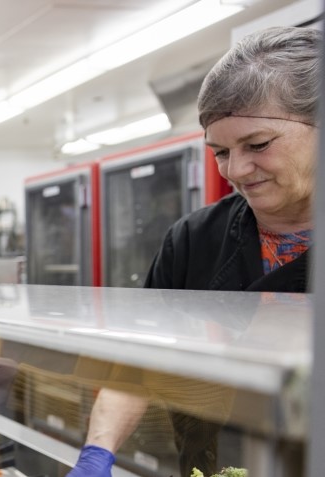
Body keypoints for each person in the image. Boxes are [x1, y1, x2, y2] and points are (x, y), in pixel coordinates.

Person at [68, 26, 320, 477]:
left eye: (258, 145)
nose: (237, 171)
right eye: (221, 151)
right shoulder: (193, 239)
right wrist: (98, 451)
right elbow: (138, 363)